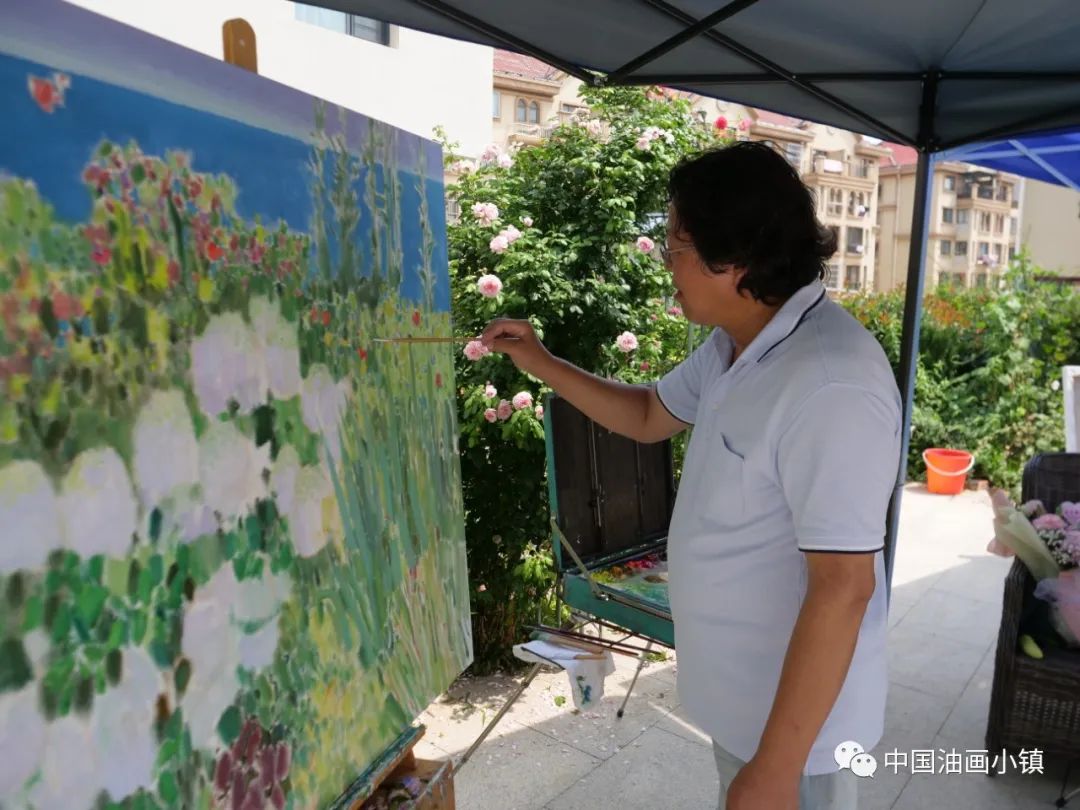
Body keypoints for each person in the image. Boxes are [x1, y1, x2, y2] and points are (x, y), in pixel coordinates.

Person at [479, 140, 901, 810]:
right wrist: (541, 362)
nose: (668, 264)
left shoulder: (830, 384)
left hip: (796, 736)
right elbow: (650, 413)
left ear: (733, 258)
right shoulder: (738, 344)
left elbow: (843, 589)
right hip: (746, 705)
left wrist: (776, 766)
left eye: (677, 244)